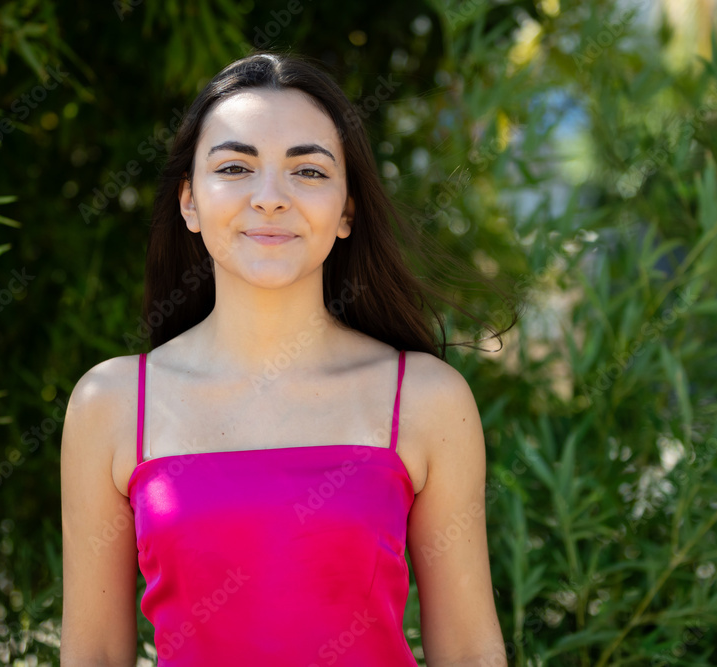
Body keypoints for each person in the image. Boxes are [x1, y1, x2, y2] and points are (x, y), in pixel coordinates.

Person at [61, 50, 515, 665]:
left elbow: (467, 651)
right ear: (189, 203)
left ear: (348, 209)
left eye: (308, 172)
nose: (270, 197)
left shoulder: (427, 400)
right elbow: (94, 655)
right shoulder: (111, 405)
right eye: (235, 167)